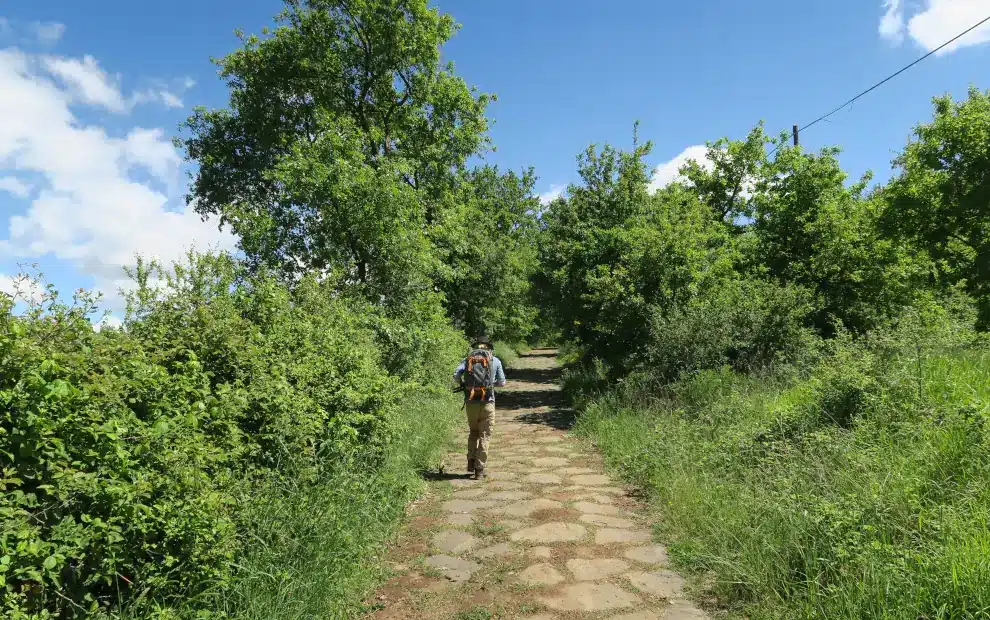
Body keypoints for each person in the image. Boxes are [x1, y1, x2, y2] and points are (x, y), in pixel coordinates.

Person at [452, 334, 506, 479]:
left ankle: (470, 460)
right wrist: (490, 385)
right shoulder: (495, 361)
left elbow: (456, 375)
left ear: (476, 346)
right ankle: (479, 470)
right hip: (488, 401)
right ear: (489, 347)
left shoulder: (467, 360)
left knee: (473, 432)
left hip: (471, 402)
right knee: (485, 435)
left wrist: (464, 385)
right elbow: (502, 382)